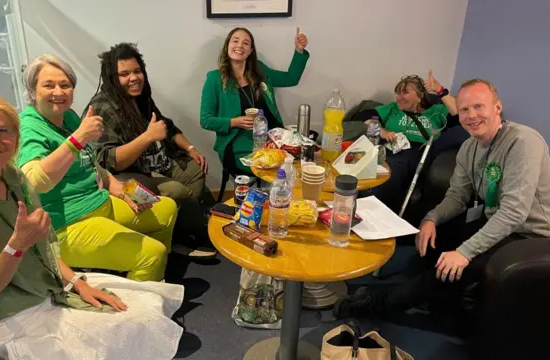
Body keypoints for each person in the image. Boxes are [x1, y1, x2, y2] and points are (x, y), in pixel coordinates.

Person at [0, 93, 184, 359]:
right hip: (13, 316)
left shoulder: (12, 176)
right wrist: (16, 246)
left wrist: (77, 282)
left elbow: (44, 246)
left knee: (146, 306)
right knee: (133, 327)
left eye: (2, 130)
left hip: (47, 287)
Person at [335, 79, 550, 330]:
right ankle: (430, 298)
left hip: (529, 234)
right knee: (439, 234)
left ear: (497, 107)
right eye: (465, 109)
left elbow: (514, 212)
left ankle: (378, 302)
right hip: (495, 220)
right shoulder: (469, 147)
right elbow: (458, 196)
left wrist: (464, 252)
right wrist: (431, 219)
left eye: (478, 107)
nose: (471, 115)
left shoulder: (523, 141)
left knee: (458, 263)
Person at [18, 54, 178, 281]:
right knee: (152, 254)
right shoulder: (28, 127)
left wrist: (115, 185)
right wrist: (77, 139)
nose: (58, 92)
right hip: (66, 224)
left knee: (167, 209)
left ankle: (151, 278)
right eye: (48, 85)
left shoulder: (69, 117)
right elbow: (35, 182)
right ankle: (139, 306)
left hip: (98, 201)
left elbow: (90, 161)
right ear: (32, 92)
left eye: (65, 85)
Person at [86, 43, 216, 258]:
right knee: (178, 192)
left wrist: (191, 148)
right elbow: (109, 161)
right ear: (112, 78)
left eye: (137, 71)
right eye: (124, 74)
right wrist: (147, 137)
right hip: (127, 175)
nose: (134, 78)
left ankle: (178, 229)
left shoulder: (141, 96)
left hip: (159, 162)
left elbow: (167, 126)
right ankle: (190, 231)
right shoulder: (102, 107)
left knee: (196, 170)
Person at [200, 27, 309, 174]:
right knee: (282, 169)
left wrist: (299, 50)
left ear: (250, 51)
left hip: (272, 140)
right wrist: (234, 121)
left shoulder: (260, 71)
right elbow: (206, 120)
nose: (239, 46)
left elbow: (291, 78)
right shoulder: (214, 79)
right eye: (235, 41)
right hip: (238, 146)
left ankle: (279, 195)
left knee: (304, 160)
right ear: (227, 46)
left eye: (246, 43)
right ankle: (273, 195)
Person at [352, 72, 464, 213]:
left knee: (391, 170)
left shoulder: (436, 111)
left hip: (417, 152)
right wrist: (382, 131)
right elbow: (362, 116)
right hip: (389, 149)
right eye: (397, 93)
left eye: (404, 93)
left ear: (420, 96)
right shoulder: (392, 108)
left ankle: (369, 207)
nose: (399, 97)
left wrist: (440, 90)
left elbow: (460, 116)